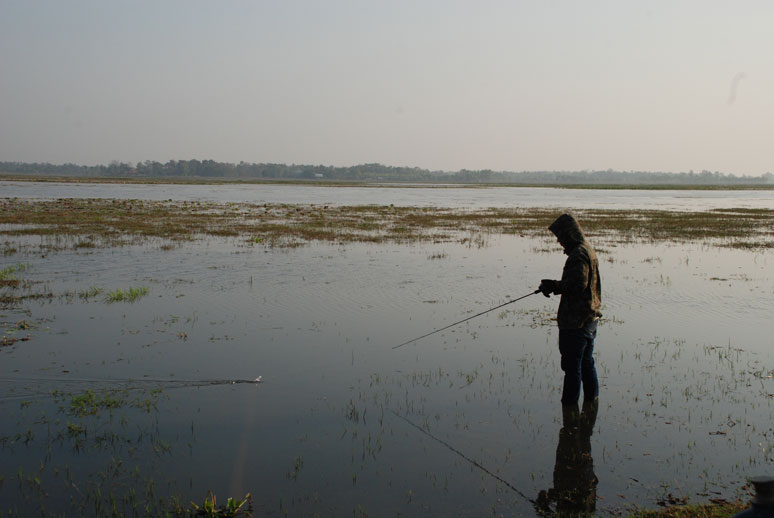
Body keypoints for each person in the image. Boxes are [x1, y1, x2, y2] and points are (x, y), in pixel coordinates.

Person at [538, 214, 602, 406]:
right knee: (586, 363)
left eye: (561, 237)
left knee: (572, 368)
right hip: (589, 319)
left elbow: (577, 285)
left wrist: (554, 286)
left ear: (570, 234)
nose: (559, 241)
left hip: (576, 322)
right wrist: (555, 285)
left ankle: (569, 409)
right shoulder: (587, 250)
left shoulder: (578, 255)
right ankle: (591, 405)